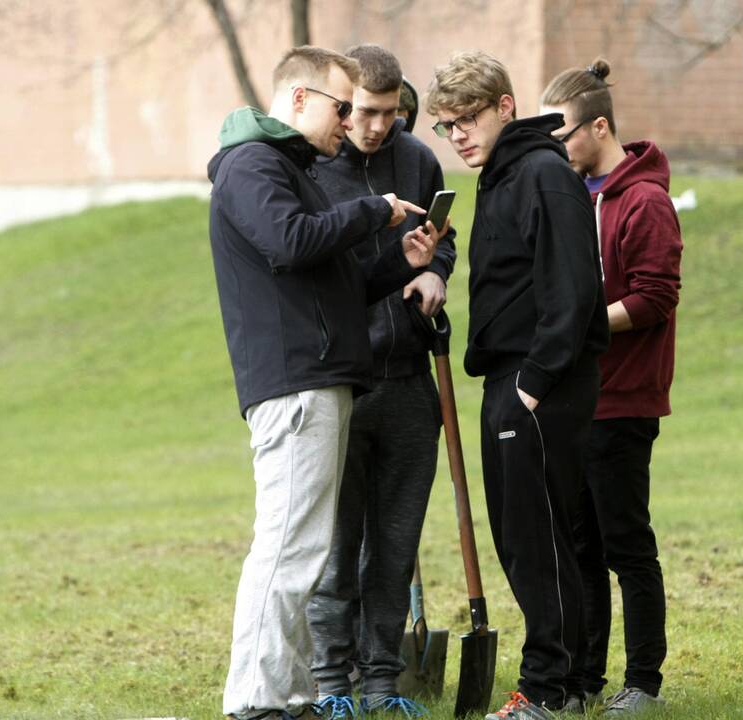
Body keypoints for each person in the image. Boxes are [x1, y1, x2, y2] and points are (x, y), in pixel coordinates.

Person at [206, 45, 446, 720]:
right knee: (289, 547)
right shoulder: (253, 165)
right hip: (294, 385)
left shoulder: (291, 169)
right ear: (302, 99)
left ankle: (287, 696)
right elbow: (289, 242)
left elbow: (334, 283)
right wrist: (374, 212)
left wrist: (399, 260)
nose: (351, 123)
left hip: (320, 380)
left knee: (303, 548)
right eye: (345, 107)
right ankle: (258, 701)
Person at [425, 50, 609, 720]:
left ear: (506, 106)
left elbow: (575, 290)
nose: (460, 135)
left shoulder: (540, 174)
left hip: (538, 384)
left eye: (468, 118)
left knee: (537, 538)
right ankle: (574, 680)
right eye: (447, 126)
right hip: (510, 376)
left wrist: (533, 382)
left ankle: (547, 691)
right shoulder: (500, 177)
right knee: (527, 536)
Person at [305, 44, 457, 719]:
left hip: (410, 381)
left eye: (390, 114)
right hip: (342, 381)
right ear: (343, 105)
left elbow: (442, 236)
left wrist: (435, 269)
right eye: (365, 112)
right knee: (337, 552)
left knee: (394, 548)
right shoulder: (310, 169)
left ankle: (381, 687)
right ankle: (330, 684)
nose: (375, 128)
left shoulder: (418, 159)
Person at [540, 59, 683, 716]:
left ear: (600, 125)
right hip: (577, 402)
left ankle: (644, 683)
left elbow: (654, 297)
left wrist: (585, 327)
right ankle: (584, 682)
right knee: (580, 548)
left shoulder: (646, 201)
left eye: (563, 133)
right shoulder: (576, 195)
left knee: (626, 544)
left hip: (624, 401)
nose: (557, 147)